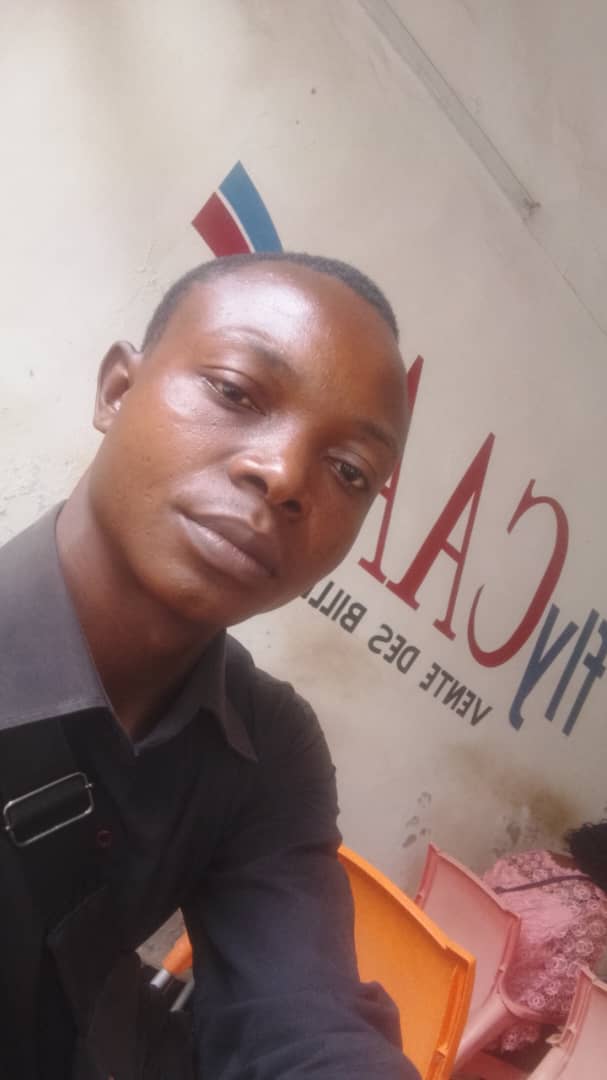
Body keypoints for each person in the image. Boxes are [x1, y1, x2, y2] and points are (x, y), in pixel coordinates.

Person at [0, 252, 420, 1079]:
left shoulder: (268, 746)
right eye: (234, 392)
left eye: (348, 471)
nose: (284, 475)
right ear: (116, 390)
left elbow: (303, 1024)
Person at [483, 821, 607, 1055]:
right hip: (488, 1007)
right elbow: (555, 1002)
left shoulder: (535, 858)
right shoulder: (594, 912)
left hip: (446, 959)